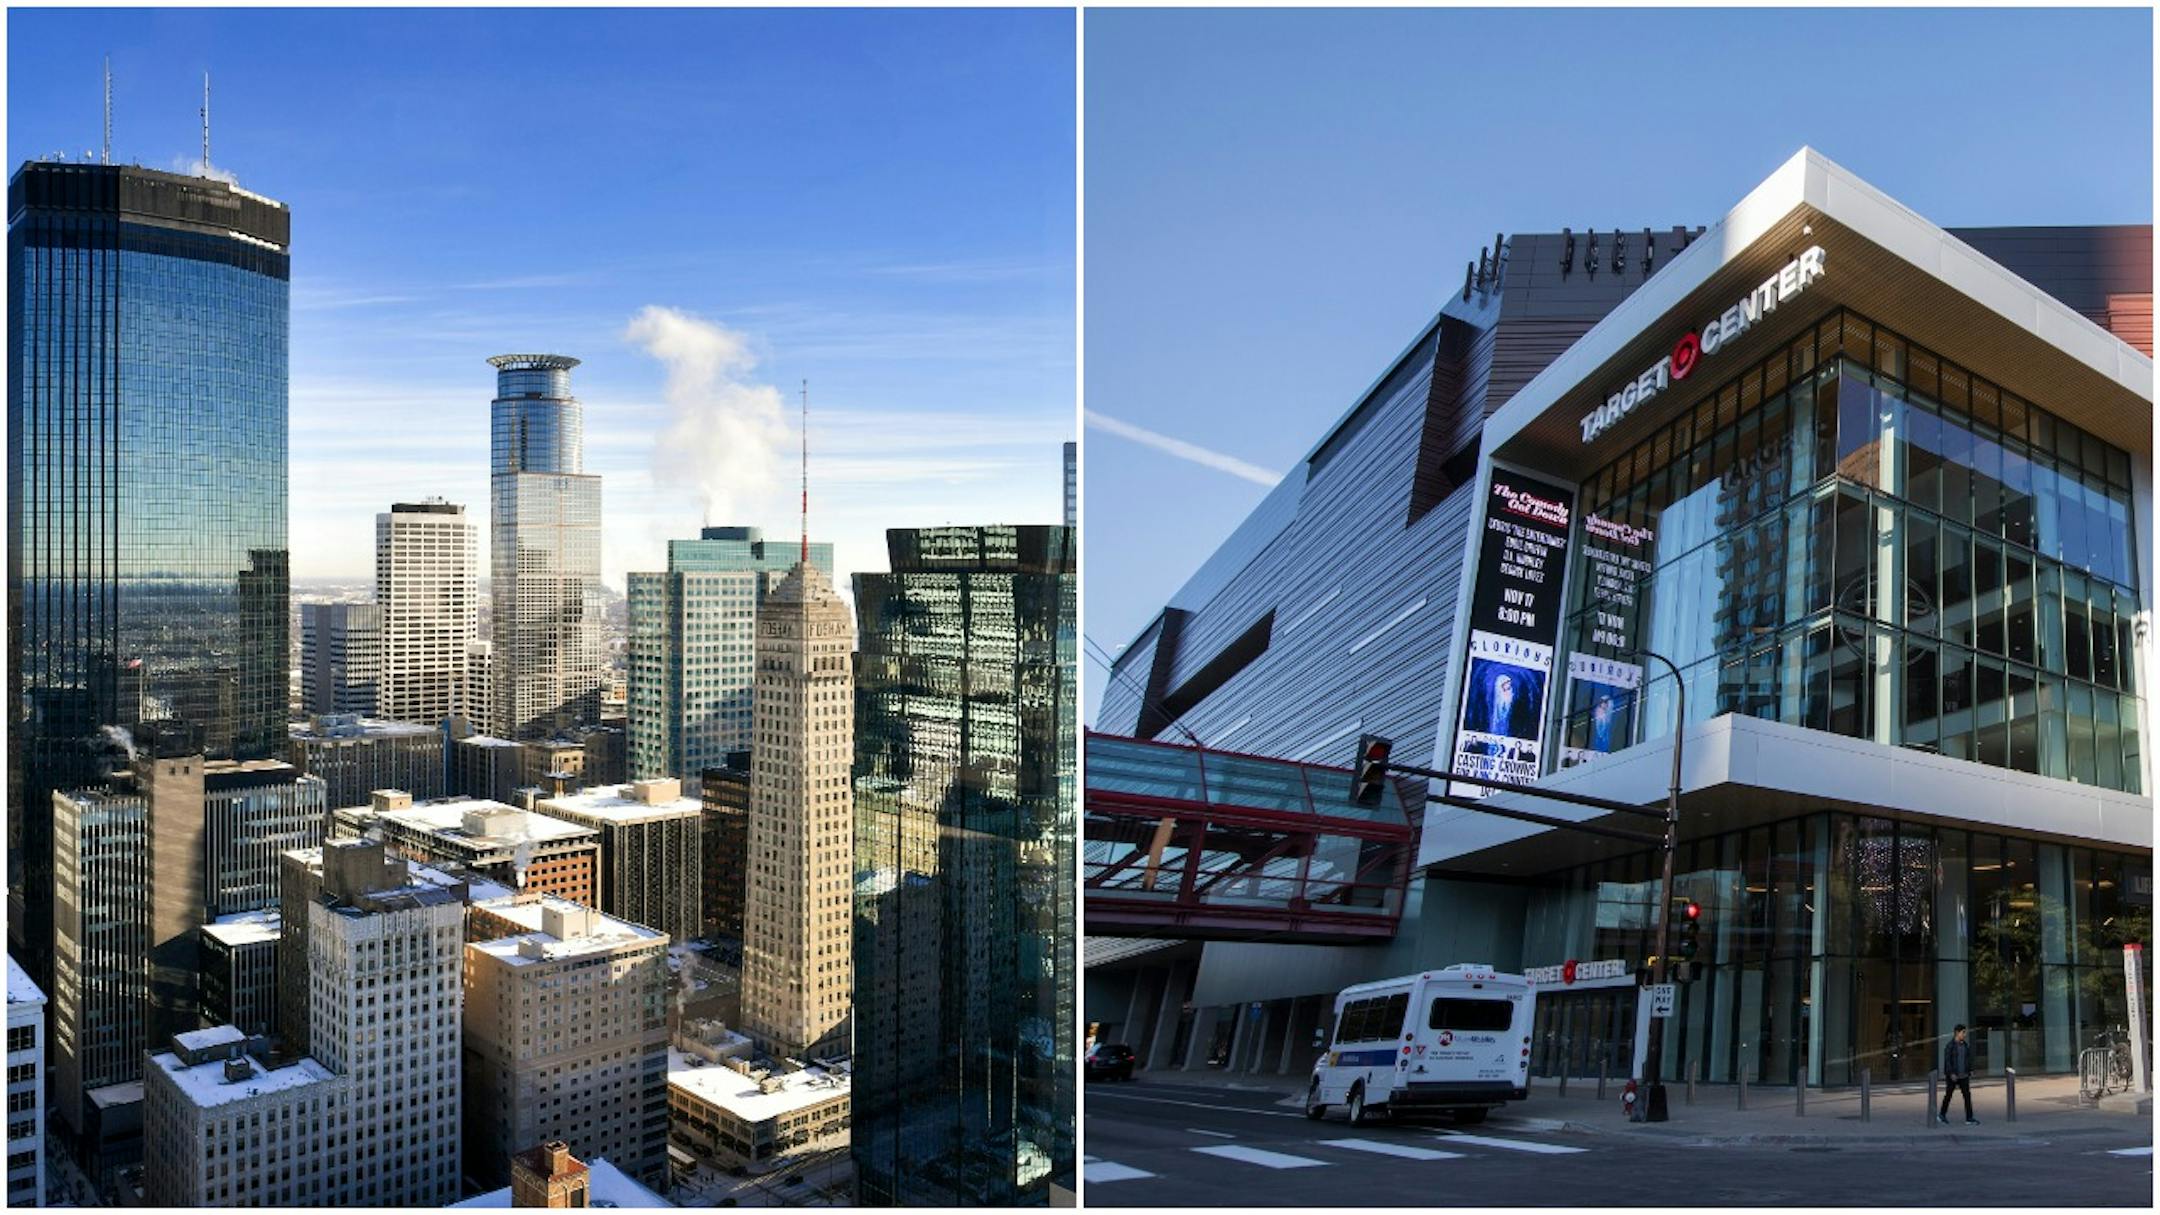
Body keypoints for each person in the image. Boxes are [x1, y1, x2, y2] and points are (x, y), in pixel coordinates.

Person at [1938, 1024, 1977, 1125]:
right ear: (1957, 1033)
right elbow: (1947, 1061)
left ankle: (1969, 1118)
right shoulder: (1950, 1046)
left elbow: (1968, 1059)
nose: (1965, 1034)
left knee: (1967, 1096)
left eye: (1965, 1032)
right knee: (1948, 1095)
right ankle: (1941, 1115)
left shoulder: (1965, 1045)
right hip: (1953, 1076)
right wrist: (1951, 1073)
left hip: (1964, 1075)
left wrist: (1970, 1070)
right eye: (1963, 1032)